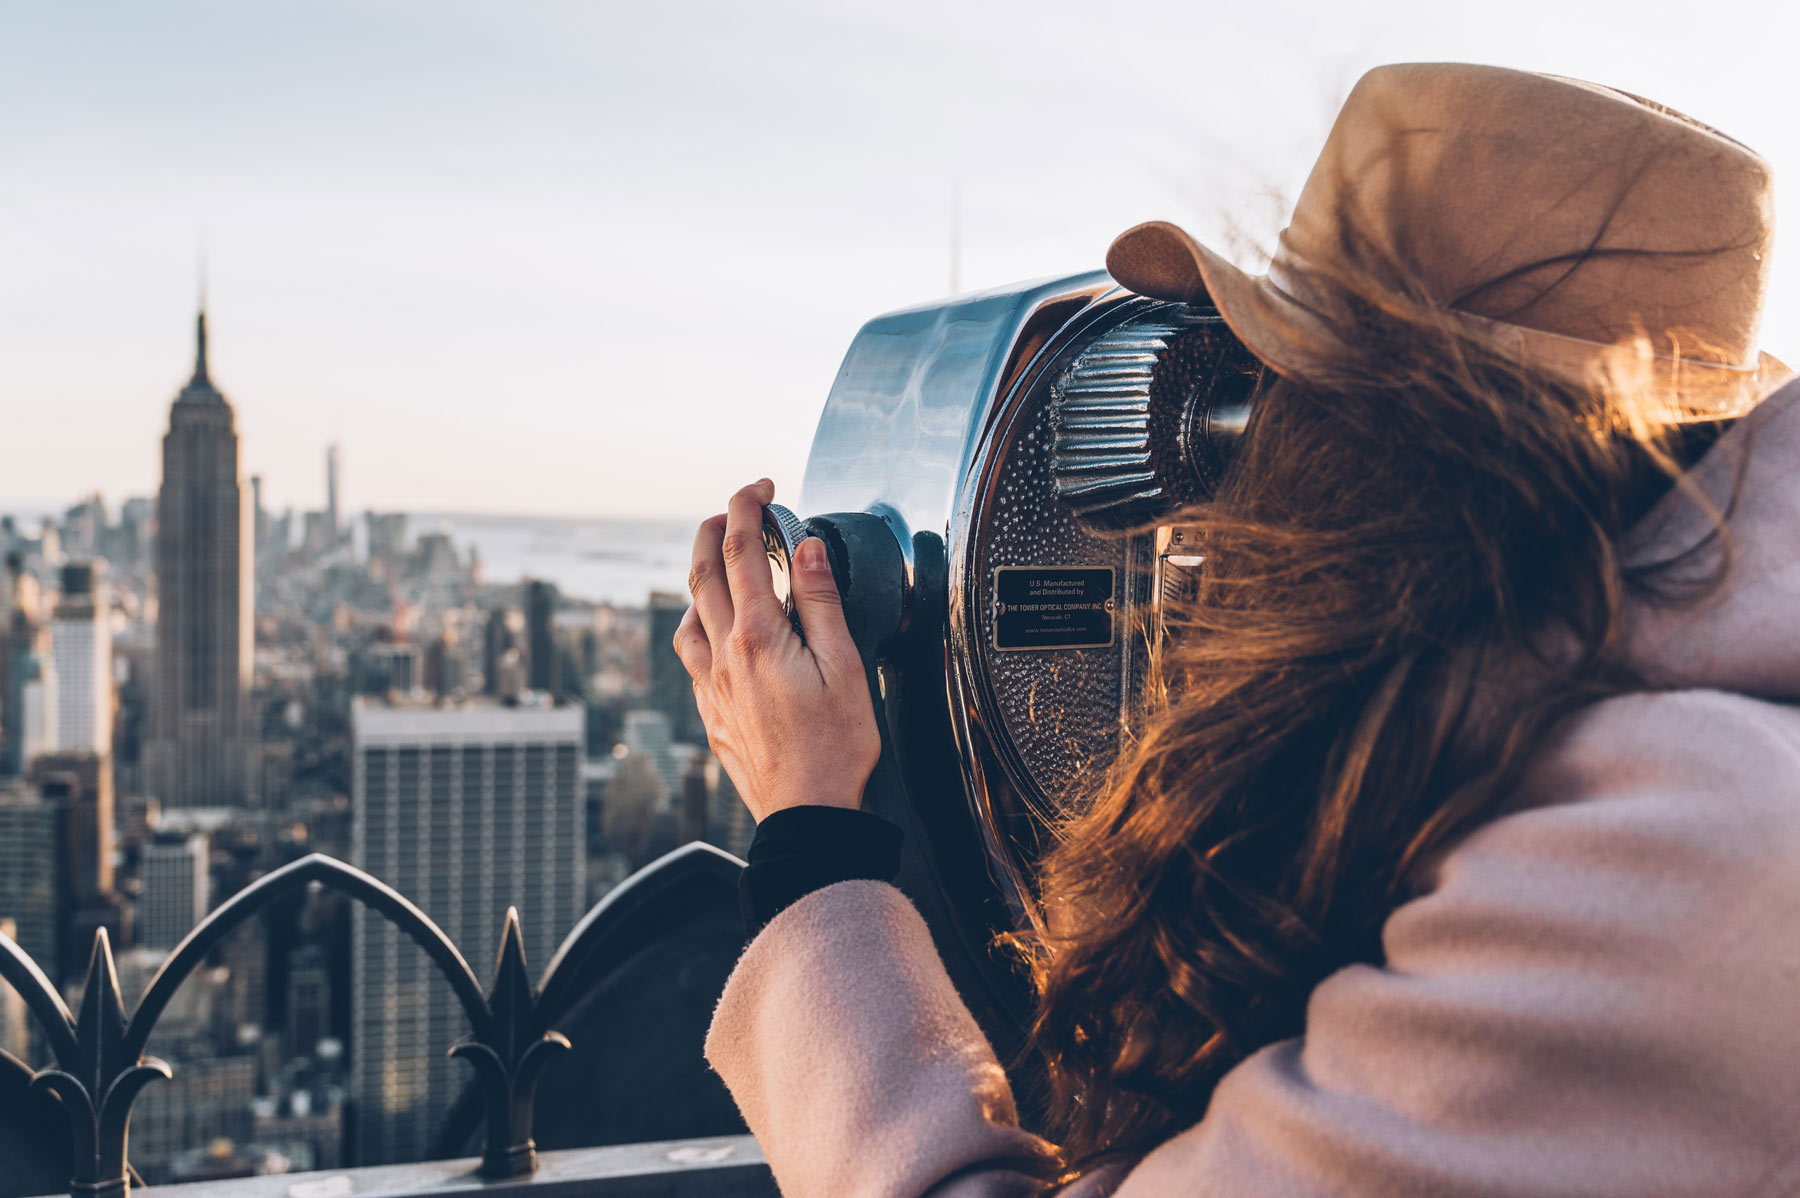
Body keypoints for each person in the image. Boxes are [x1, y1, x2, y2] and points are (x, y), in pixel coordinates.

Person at [674, 63, 1800, 1195]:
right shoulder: (1601, 769)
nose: (1239, 482)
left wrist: (816, 840)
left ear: (1404, 458)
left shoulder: (1665, 857)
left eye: (1283, 397)